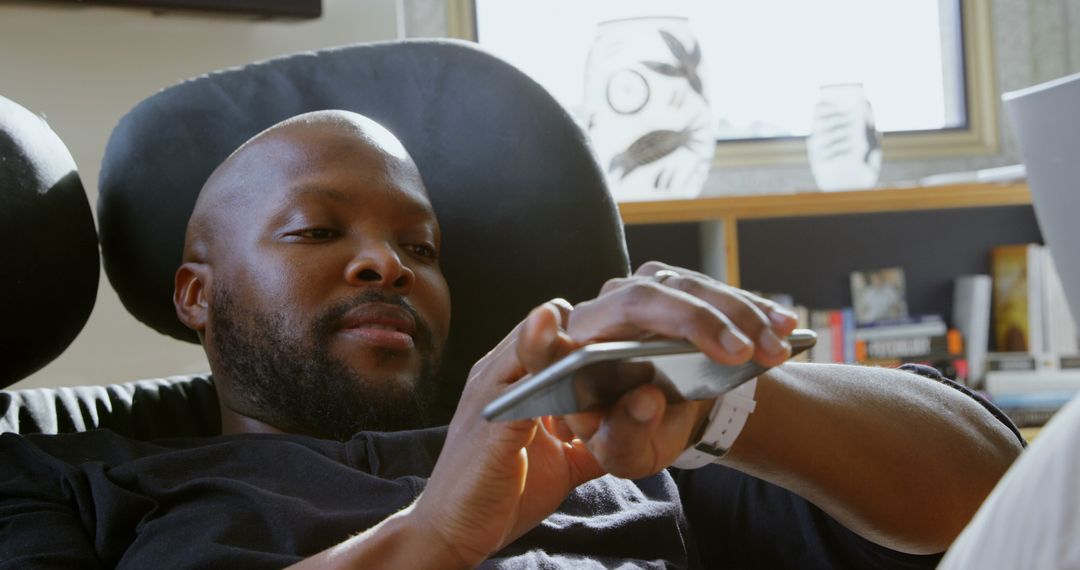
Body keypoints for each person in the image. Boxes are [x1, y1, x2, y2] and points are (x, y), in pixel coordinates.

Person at [0, 110, 1024, 568]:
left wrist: (726, 401)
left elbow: (1000, 509)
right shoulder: (78, 482)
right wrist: (435, 537)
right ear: (195, 294)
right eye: (319, 232)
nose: (386, 265)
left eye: (421, 245)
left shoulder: (609, 441)